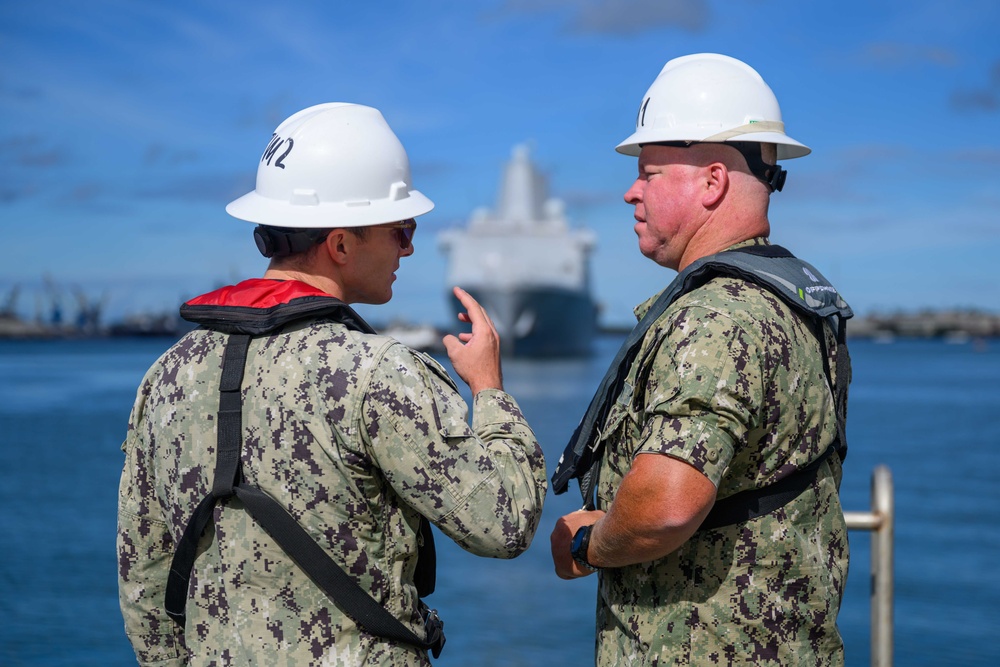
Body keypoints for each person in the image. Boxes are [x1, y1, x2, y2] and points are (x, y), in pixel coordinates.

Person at [117, 102, 547, 666]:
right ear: (341, 244)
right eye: (402, 228)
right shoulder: (378, 372)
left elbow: (144, 584)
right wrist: (489, 392)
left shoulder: (166, 374)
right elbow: (503, 522)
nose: (409, 248)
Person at [549, 54, 853, 665]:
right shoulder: (790, 300)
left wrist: (587, 544)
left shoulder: (714, 318)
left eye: (651, 173)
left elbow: (665, 506)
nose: (631, 190)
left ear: (712, 182)